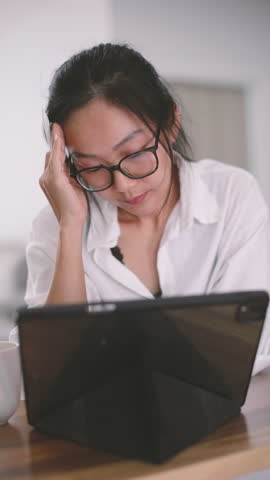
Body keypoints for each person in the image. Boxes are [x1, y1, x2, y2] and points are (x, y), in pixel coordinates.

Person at [21, 43, 270, 373]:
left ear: (170, 123)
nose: (122, 186)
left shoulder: (231, 194)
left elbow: (244, 345)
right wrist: (70, 226)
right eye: (92, 167)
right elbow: (52, 369)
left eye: (135, 153)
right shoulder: (58, 222)